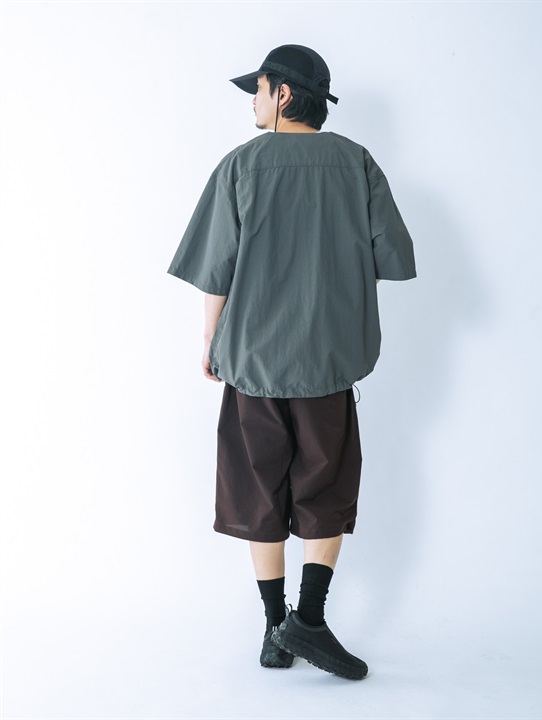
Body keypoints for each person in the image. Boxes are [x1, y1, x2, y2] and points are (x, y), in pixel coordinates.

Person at [167, 44, 417, 680]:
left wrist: (210, 340)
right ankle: (306, 619)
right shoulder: (357, 163)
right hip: (326, 361)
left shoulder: (242, 165)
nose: (252, 101)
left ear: (282, 93)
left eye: (258, 88)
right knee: (324, 488)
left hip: (252, 359)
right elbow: (390, 259)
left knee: (260, 489)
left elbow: (216, 268)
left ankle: (276, 631)